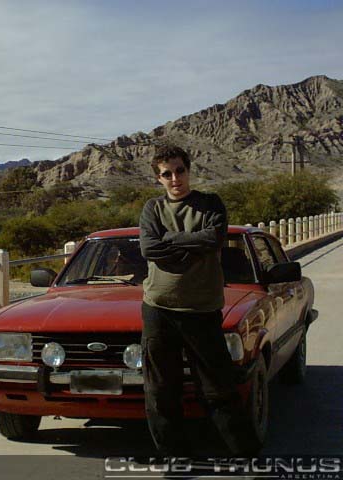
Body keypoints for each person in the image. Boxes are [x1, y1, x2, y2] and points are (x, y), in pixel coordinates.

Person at [138, 145, 251, 456]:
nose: (175, 178)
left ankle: (240, 455)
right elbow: (149, 249)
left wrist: (169, 239)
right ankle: (173, 456)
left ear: (189, 170)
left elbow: (213, 238)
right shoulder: (152, 208)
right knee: (161, 390)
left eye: (180, 171)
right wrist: (192, 245)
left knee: (218, 388)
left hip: (202, 309)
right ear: (158, 178)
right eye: (167, 174)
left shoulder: (210, 204)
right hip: (158, 310)